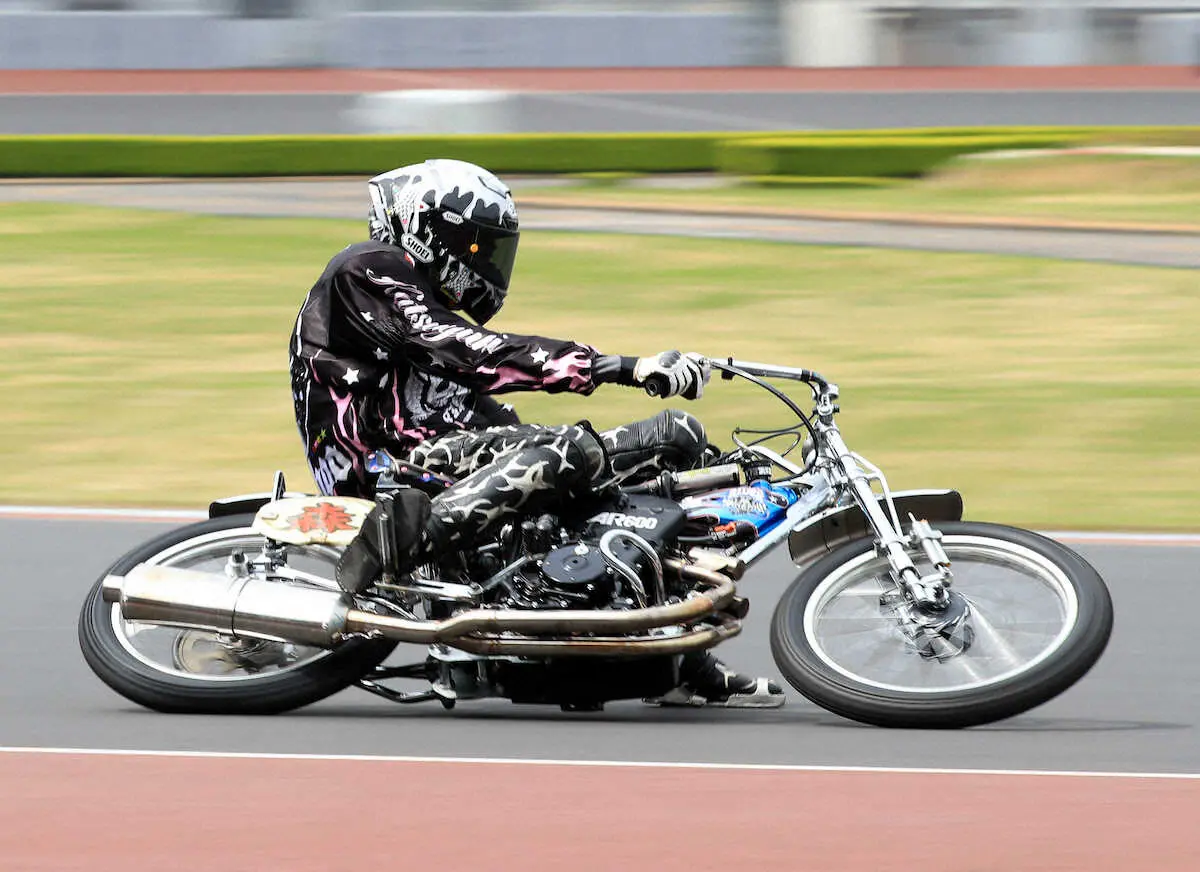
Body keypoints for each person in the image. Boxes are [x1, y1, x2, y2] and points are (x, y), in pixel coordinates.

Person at [289, 158, 783, 709]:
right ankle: (410, 542)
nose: (487, 261)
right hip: (390, 471)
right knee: (566, 452)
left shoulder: (420, 306)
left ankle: (669, 651)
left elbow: (488, 417)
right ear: (426, 227)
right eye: (477, 245)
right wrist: (616, 367)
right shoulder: (367, 269)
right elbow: (466, 352)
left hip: (447, 457)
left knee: (670, 440)